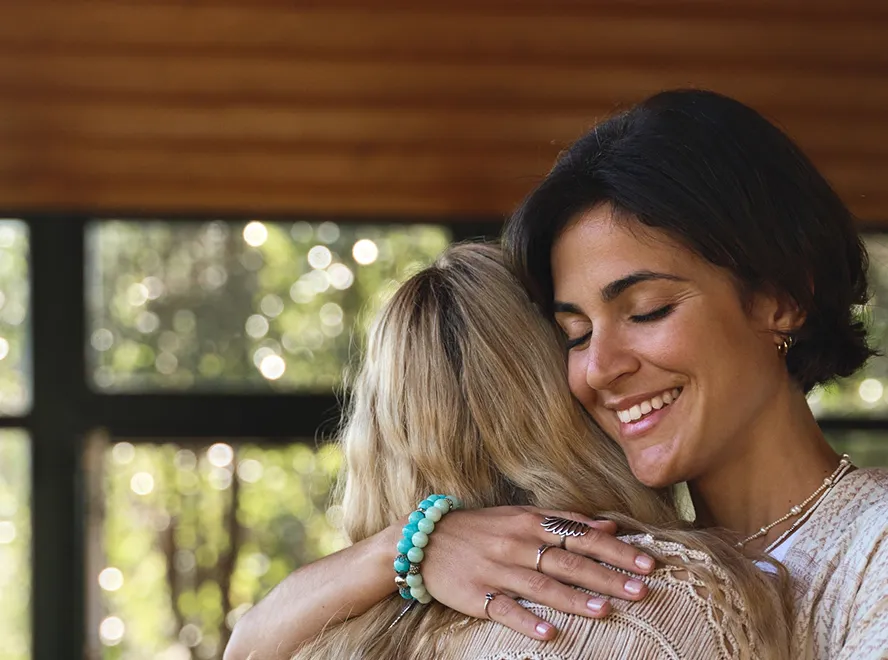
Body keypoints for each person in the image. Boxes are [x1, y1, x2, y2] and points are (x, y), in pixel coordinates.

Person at [226, 89, 888, 659]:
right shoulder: (619, 567)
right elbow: (249, 643)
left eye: (647, 310)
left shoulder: (872, 545)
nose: (600, 367)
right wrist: (412, 546)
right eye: (575, 334)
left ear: (783, 299)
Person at [233, 243, 789, 659]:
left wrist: (407, 544)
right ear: (553, 396)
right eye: (578, 336)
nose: (603, 368)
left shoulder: (323, 639)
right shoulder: (674, 604)